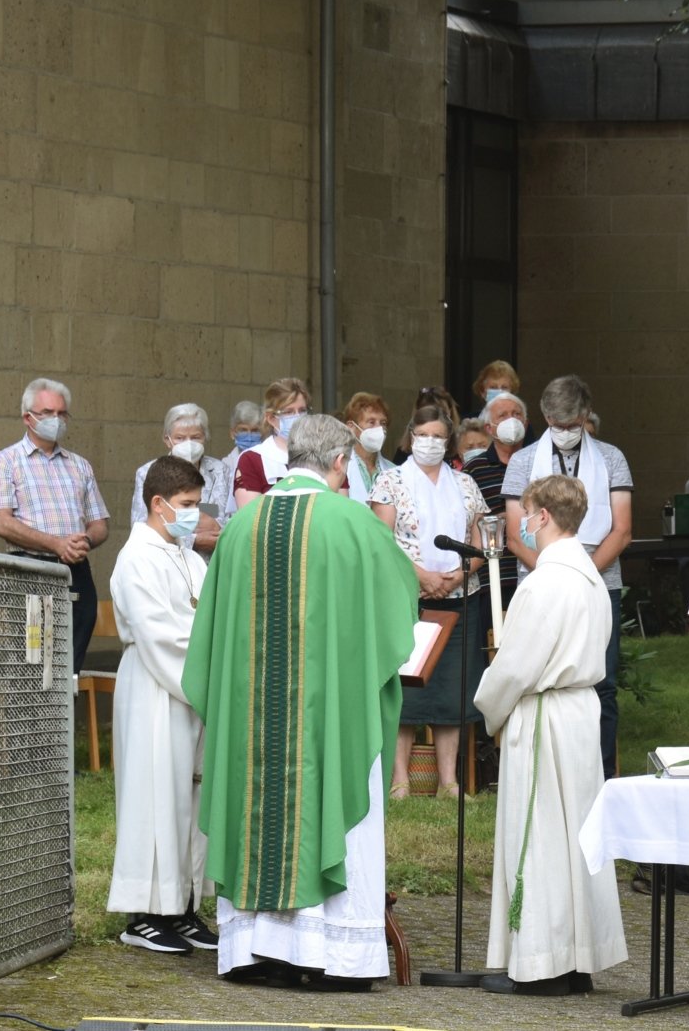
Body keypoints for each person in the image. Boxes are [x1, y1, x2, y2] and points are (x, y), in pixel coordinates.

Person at [183, 414, 419, 989]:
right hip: (329, 717)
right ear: (340, 463)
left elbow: (211, 632)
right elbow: (397, 606)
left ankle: (258, 951)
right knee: (327, 802)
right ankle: (333, 959)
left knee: (257, 808)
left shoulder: (241, 526)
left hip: (252, 724)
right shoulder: (354, 524)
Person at [474, 475, 628, 996]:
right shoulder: (589, 576)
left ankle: (542, 963)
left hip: (544, 713)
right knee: (576, 839)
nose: (521, 522)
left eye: (527, 512)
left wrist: (488, 709)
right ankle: (577, 957)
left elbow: (516, 667)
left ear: (542, 516)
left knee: (539, 836)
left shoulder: (545, 581)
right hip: (580, 713)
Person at [107, 457, 216, 955]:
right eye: (188, 505)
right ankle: (146, 914)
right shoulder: (137, 558)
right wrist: (206, 669)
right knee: (156, 795)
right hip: (156, 684)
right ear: (159, 503)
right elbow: (160, 634)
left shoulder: (186, 555)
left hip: (189, 686)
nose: (195, 515)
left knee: (188, 797)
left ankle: (184, 905)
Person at [502, 375, 633, 780]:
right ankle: (542, 770)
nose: (563, 432)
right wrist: (554, 573)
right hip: (540, 580)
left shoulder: (611, 458)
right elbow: (514, 533)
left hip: (598, 581)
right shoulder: (524, 461)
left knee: (603, 680)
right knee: (538, 676)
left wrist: (578, 574)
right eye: (556, 426)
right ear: (544, 418)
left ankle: (602, 771)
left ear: (585, 417)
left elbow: (622, 529)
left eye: (571, 425)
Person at [370, 404, 490, 799]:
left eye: (439, 437)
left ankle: (448, 781)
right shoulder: (389, 480)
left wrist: (461, 572)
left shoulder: (466, 484)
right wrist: (421, 576)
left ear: (448, 440)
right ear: (411, 437)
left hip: (460, 597)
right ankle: (400, 779)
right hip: (408, 598)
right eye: (424, 436)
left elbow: (480, 539)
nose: (431, 443)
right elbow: (381, 538)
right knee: (407, 686)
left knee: (451, 689)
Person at [0, 377, 111, 674]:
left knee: (70, 666)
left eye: (62, 413)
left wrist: (85, 542)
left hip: (76, 571)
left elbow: (100, 523)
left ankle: (63, 719)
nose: (56, 420)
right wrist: (56, 544)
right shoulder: (5, 462)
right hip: (29, 570)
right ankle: (30, 719)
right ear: (28, 417)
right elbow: (0, 522)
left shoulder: (80, 465)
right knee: (31, 664)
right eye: (48, 413)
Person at [128, 403, 233, 557]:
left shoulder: (220, 470)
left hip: (211, 564)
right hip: (168, 559)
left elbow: (229, 516)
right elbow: (141, 524)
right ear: (167, 439)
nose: (189, 443)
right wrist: (193, 540)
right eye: (180, 438)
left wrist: (182, 516)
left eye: (196, 437)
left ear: (205, 437)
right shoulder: (147, 472)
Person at [465, 392, 528, 610]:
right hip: (490, 579)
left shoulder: (540, 463)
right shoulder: (473, 470)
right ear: (489, 428)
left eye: (516, 414)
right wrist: (496, 520)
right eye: (503, 416)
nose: (511, 420)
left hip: (534, 574)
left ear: (526, 423)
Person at [232, 377, 310, 507]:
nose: (297, 417)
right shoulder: (252, 460)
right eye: (289, 412)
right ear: (272, 418)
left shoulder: (323, 455)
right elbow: (250, 517)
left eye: (302, 411)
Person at [390, 386, 462, 467]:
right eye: (427, 413)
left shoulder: (463, 447)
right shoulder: (404, 454)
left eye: (442, 412)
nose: (435, 418)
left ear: (450, 412)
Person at [340, 392, 390, 506]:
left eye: (383, 423)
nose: (379, 428)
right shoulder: (339, 468)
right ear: (351, 427)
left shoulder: (394, 470)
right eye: (371, 422)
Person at [221, 400, 264, 490]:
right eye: (243, 430)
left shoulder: (269, 461)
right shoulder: (224, 467)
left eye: (255, 430)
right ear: (232, 433)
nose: (249, 436)